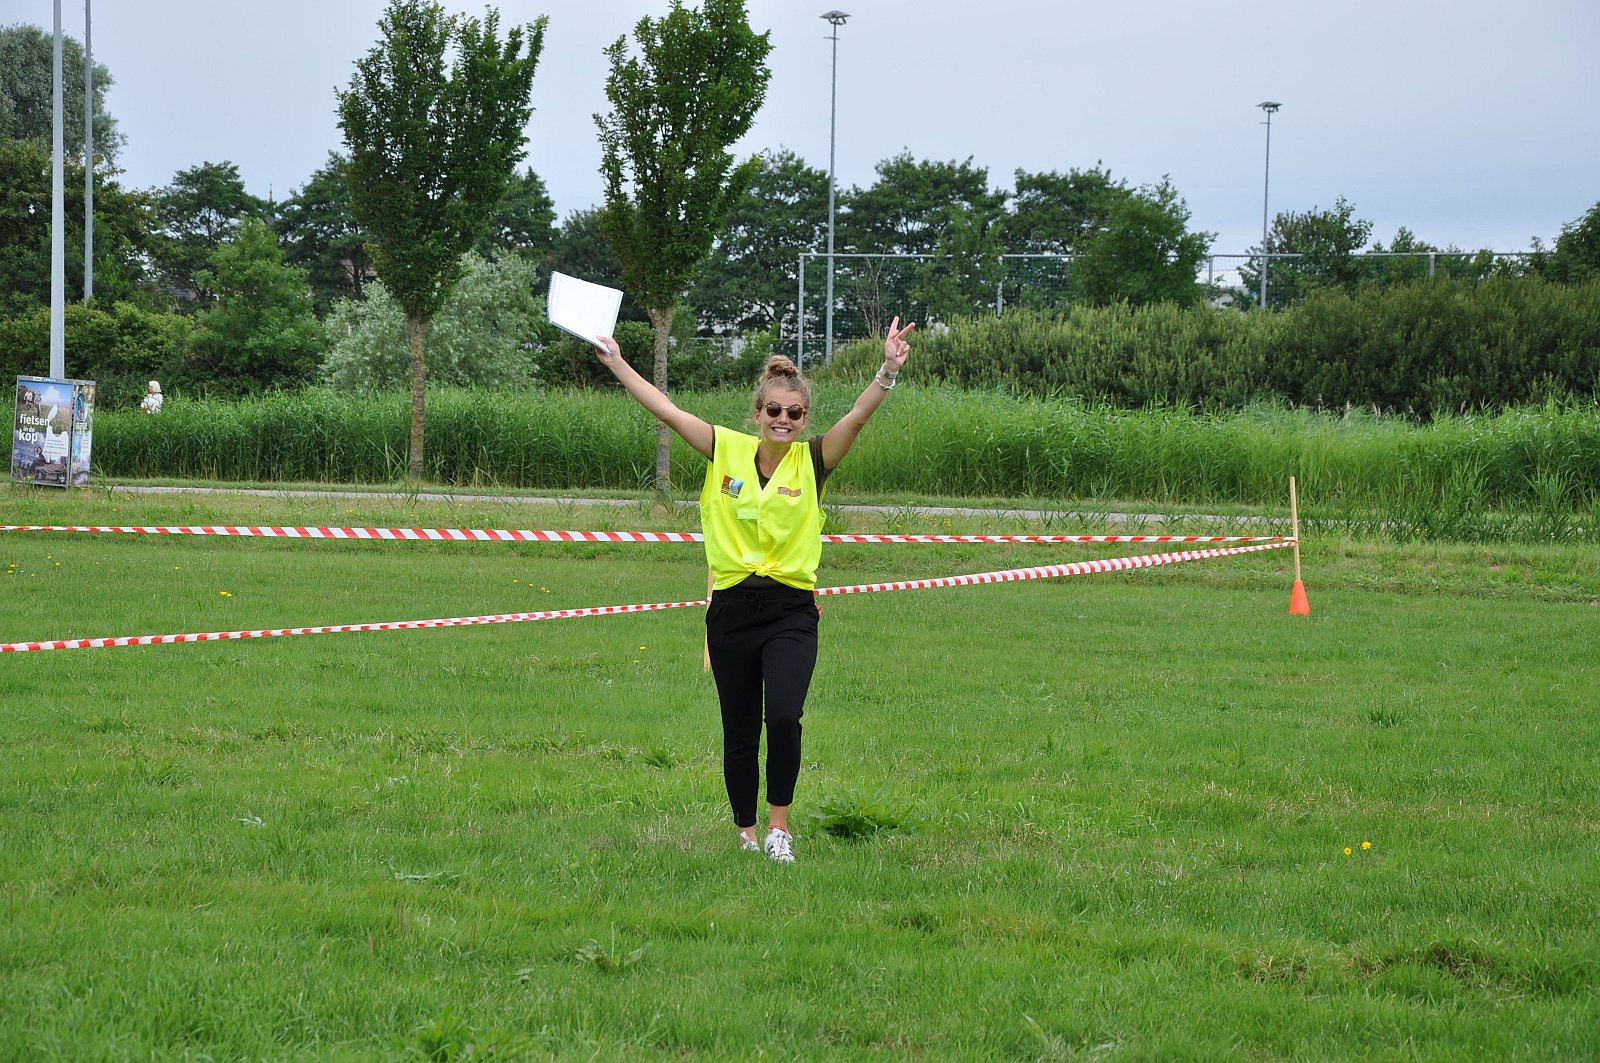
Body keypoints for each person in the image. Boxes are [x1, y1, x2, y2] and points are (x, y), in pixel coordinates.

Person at [596, 320, 915, 862]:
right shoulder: (724, 448)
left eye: (794, 413)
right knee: (739, 729)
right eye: (774, 410)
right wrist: (618, 362)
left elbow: (858, 417)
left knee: (785, 716)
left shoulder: (814, 461)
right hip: (732, 609)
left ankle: (778, 829)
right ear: (758, 413)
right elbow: (666, 410)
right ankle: (745, 832)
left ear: (804, 418)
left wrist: (887, 369)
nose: (783, 420)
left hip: (791, 610)